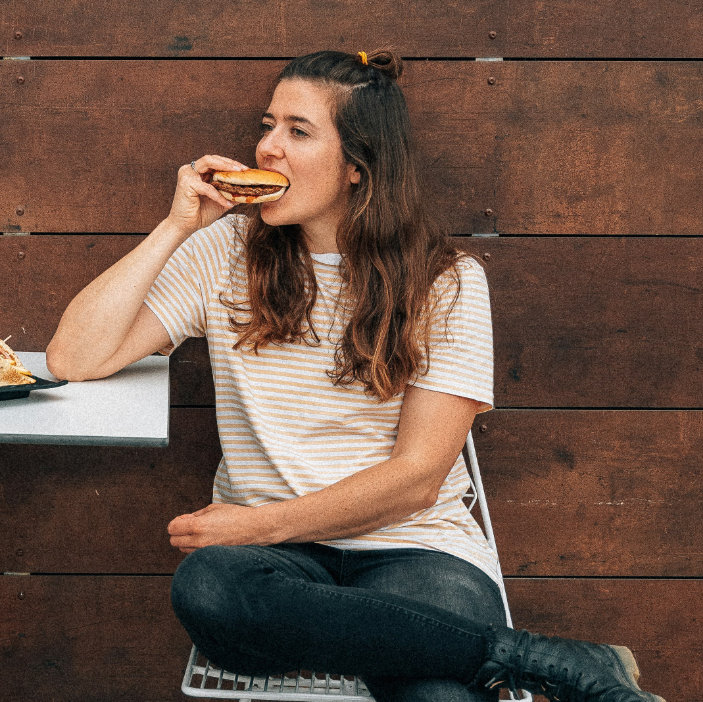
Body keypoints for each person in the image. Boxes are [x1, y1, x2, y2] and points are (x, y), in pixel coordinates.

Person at [45, 49, 665, 702]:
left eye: (298, 131)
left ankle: (487, 654)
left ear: (357, 169)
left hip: (414, 552)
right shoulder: (222, 251)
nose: (267, 147)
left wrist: (252, 525)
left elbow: (417, 479)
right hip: (275, 570)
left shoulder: (447, 281)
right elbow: (74, 358)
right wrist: (176, 226)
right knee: (208, 588)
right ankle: (530, 657)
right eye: (269, 124)